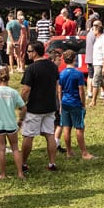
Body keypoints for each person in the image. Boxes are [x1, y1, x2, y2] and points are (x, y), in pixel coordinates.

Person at [18, 40, 61, 172]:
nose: (27, 53)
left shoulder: (31, 68)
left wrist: (21, 103)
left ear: (35, 52)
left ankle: (23, 163)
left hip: (34, 108)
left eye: (29, 51)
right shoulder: (53, 66)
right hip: (50, 106)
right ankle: (52, 163)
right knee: (50, 135)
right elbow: (56, 85)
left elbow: (26, 89)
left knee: (28, 136)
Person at [0, 66, 26, 179]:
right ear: (8, 78)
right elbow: (24, 107)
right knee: (15, 148)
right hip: (11, 124)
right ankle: (20, 173)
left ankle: (3, 174)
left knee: (1, 148)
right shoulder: (13, 92)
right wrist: (21, 120)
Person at [56, 47, 94, 160]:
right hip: (75, 103)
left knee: (66, 128)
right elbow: (81, 90)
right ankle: (84, 153)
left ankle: (69, 151)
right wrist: (83, 104)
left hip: (65, 102)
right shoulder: (78, 74)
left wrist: (60, 103)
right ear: (74, 59)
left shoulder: (61, 74)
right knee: (79, 128)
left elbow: (59, 89)